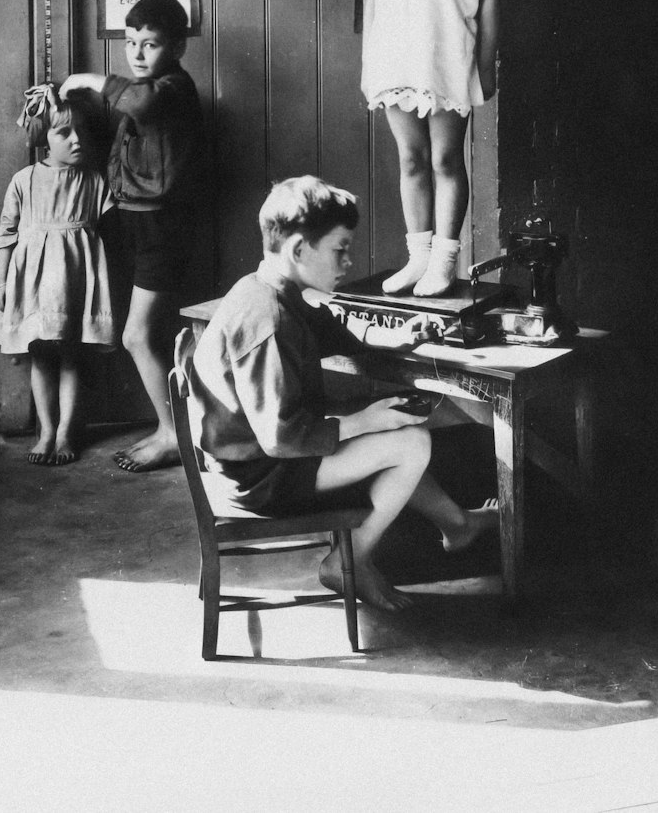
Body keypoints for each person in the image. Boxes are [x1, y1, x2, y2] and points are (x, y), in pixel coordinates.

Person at [187, 176, 498, 612]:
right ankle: (348, 559)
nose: (348, 261)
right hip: (261, 478)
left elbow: (330, 331)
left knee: (387, 434)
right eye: (339, 249)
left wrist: (399, 335)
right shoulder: (269, 321)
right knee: (410, 442)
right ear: (298, 250)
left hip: (257, 461)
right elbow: (280, 437)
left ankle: (457, 523)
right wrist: (367, 421)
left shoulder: (267, 289)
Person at [360, 0, 508, 297]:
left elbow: (490, 3)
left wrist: (485, 66)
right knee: (411, 160)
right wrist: (371, 66)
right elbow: (376, 2)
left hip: (444, 60)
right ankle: (417, 257)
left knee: (445, 159)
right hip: (395, 61)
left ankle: (445, 257)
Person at [60, 0, 206, 474]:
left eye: (151, 44)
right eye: (130, 43)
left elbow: (140, 103)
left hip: (165, 226)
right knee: (144, 334)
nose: (137, 53)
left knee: (137, 336)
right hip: (138, 223)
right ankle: (175, 428)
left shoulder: (173, 89)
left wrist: (85, 79)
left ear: (179, 48)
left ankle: (172, 434)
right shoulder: (145, 90)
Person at [0, 85, 117, 465]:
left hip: (78, 278)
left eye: (80, 131)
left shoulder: (93, 181)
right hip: (35, 281)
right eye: (64, 133)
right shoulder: (24, 180)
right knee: (42, 355)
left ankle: (66, 432)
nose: (76, 140)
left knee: (73, 354)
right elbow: (6, 235)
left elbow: (115, 229)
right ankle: (45, 430)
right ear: (44, 138)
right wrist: (0, 284)